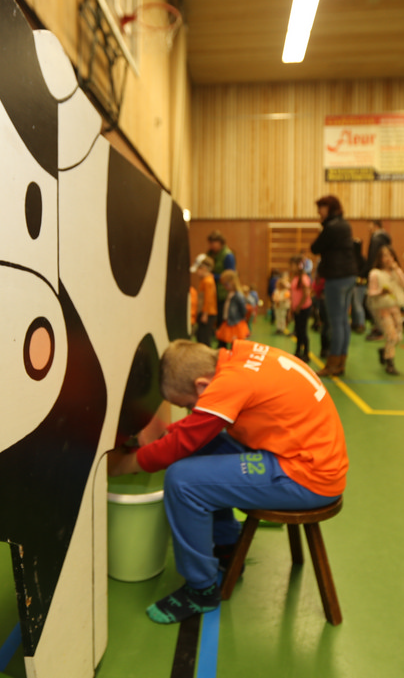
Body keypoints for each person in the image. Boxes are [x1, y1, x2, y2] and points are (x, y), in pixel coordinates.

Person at [106, 339, 349, 623]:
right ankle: (227, 546)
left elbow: (184, 441)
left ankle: (201, 590)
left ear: (201, 386)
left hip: (307, 478)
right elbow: (193, 430)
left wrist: (124, 465)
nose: (191, 410)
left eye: (189, 405)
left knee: (182, 481)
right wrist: (164, 436)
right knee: (202, 449)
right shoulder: (238, 360)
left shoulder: (232, 383)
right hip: (300, 455)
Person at [310, 196, 358, 376]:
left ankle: (332, 363)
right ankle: (341, 361)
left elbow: (315, 247)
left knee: (336, 322)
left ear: (328, 208)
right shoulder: (344, 225)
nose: (318, 212)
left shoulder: (331, 227)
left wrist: (322, 226)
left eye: (321, 208)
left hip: (336, 277)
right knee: (343, 321)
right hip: (349, 276)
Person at [366, 245, 404, 376]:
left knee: (398, 336)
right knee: (391, 336)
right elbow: (371, 292)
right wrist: (381, 292)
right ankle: (390, 363)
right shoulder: (375, 273)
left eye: (390, 255)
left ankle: (384, 351)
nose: (388, 258)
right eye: (384, 256)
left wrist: (397, 269)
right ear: (380, 258)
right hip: (382, 308)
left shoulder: (396, 272)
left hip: (395, 307)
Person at [364, 221, 392, 340]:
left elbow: (372, 258)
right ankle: (381, 328)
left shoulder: (376, 239)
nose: (368, 229)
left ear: (376, 226)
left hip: (376, 274)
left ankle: (380, 329)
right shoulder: (385, 239)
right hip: (383, 274)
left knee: (374, 302)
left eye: (370, 226)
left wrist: (368, 272)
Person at [207, 231, 237, 326]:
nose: (211, 246)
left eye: (213, 243)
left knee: (221, 317)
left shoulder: (228, 255)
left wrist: (213, 276)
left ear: (220, 243)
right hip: (211, 290)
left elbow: (230, 276)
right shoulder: (210, 254)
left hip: (223, 292)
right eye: (210, 243)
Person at [215, 269, 250, 347]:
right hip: (227, 321)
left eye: (226, 284)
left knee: (235, 345)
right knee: (222, 342)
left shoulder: (238, 296)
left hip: (236, 323)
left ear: (232, 282)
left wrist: (239, 318)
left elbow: (243, 310)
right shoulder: (229, 294)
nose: (225, 287)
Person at [289, 256, 314, 362]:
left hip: (303, 308)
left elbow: (305, 294)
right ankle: (298, 351)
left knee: (303, 331)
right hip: (297, 309)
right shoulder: (295, 277)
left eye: (292, 265)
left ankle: (306, 353)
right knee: (298, 331)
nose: (290, 267)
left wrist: (299, 307)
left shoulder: (303, 278)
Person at [192, 254, 217, 347]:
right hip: (205, 312)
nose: (197, 272)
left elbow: (208, 299)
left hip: (207, 313)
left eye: (199, 269)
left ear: (204, 269)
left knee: (204, 338)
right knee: (200, 336)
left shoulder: (208, 281)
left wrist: (205, 314)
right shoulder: (205, 280)